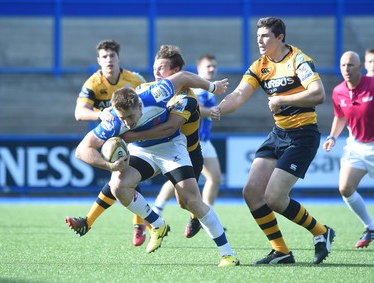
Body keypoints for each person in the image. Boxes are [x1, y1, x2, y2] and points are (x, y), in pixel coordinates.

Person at [70, 70, 240, 267]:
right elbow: (82, 149)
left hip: (171, 146)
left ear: (140, 105)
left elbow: (184, 76)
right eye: (122, 118)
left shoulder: (156, 94)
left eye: (130, 116)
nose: (127, 122)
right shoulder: (114, 121)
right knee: (118, 185)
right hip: (142, 151)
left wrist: (212, 87)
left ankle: (228, 254)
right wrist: (109, 165)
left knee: (191, 200)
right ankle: (158, 224)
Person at [210, 17, 335, 264]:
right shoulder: (260, 65)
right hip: (278, 134)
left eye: (266, 35)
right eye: (258, 36)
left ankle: (322, 231)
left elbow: (318, 93)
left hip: (303, 134)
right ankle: (281, 251)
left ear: (280, 38)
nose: (260, 40)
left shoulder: (298, 60)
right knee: (252, 192)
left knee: (275, 198)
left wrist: (281, 100)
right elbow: (238, 95)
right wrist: (217, 110)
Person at [72, 39, 148, 247]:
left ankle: (139, 224)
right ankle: (145, 224)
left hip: (133, 133)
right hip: (109, 139)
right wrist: (99, 114)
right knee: (122, 179)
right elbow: (79, 112)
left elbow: (146, 102)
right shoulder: (93, 83)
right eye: (104, 57)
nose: (108, 60)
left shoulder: (133, 79)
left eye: (112, 56)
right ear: (98, 60)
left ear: (118, 58)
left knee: (123, 177)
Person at [152, 54, 223, 239]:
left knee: (215, 178)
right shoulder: (197, 91)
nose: (212, 70)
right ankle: (158, 208)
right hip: (189, 142)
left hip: (205, 141)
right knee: (180, 180)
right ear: (198, 70)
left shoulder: (207, 89)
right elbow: (195, 109)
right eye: (208, 67)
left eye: (214, 66)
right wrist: (211, 112)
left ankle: (204, 214)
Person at [323, 51, 374, 248]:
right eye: (343, 65)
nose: (346, 69)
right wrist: (332, 137)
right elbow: (340, 115)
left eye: (351, 65)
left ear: (360, 67)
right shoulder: (338, 91)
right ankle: (370, 227)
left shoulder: (371, 85)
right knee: (345, 188)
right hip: (355, 147)